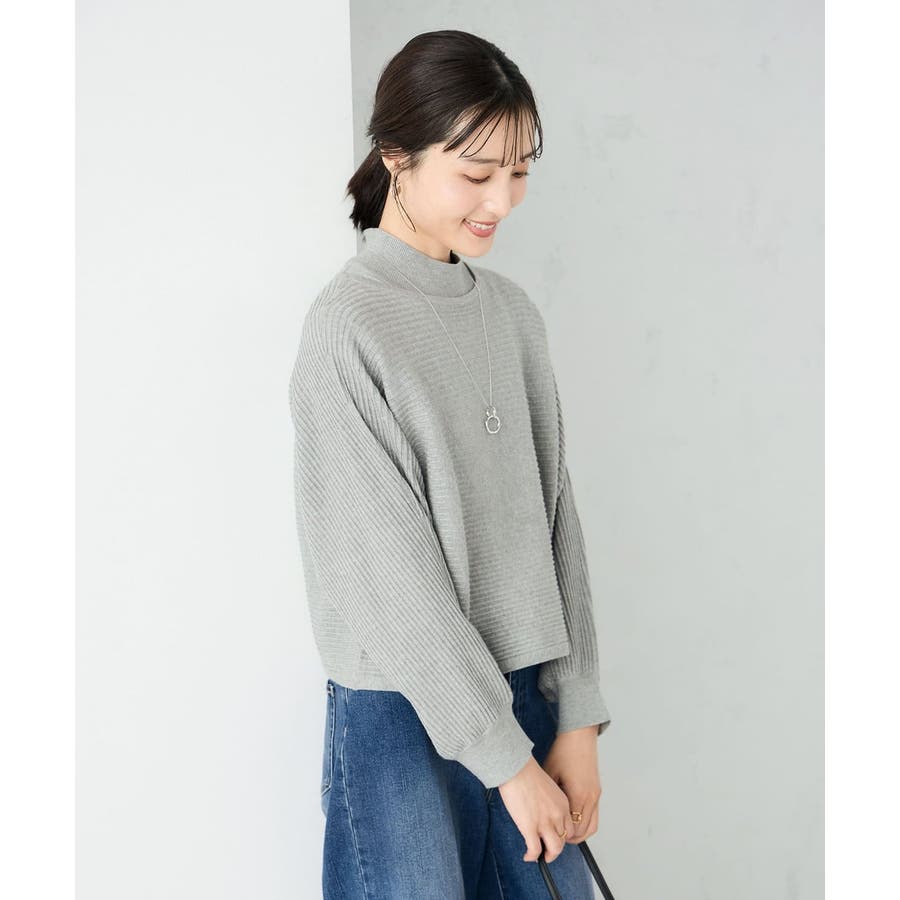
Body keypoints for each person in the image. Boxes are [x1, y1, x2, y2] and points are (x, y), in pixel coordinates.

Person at [288, 29, 612, 900]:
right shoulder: (348, 329)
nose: (502, 200)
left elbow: (557, 521)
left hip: (529, 697)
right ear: (397, 156)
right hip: (401, 716)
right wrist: (505, 761)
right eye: (476, 173)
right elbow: (392, 584)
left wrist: (576, 714)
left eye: (520, 171)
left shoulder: (513, 316)